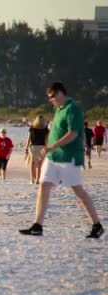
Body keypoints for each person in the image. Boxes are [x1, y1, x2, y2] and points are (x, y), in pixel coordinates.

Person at [20, 82, 103, 239]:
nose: (50, 100)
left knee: (77, 190)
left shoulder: (73, 109)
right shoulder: (59, 109)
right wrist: (49, 149)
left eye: (52, 97)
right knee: (43, 185)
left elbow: (73, 133)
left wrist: (52, 146)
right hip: (53, 157)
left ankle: (97, 224)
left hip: (68, 157)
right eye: (49, 98)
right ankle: (37, 225)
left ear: (60, 94)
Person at [25, 116, 49, 184]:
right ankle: (37, 180)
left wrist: (26, 147)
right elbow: (46, 140)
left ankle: (32, 179)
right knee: (39, 164)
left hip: (33, 147)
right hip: (42, 147)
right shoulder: (46, 129)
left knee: (32, 163)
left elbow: (29, 138)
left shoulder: (32, 128)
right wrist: (47, 148)